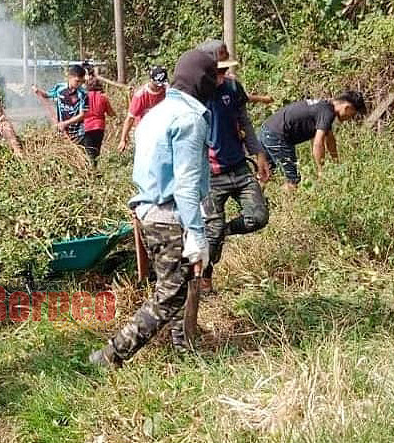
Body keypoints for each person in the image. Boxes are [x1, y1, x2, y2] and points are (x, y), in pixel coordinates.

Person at [88, 49, 221, 369]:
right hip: (170, 216)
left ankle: (183, 347)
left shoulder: (155, 114)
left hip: (148, 213)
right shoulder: (189, 119)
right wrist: (196, 232)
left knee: (181, 282)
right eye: (214, 77)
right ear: (202, 80)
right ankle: (111, 355)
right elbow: (187, 183)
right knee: (170, 294)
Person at [198, 50, 271, 298]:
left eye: (224, 70)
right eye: (217, 71)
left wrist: (259, 153)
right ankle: (204, 278)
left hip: (239, 167)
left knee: (258, 217)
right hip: (210, 175)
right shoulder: (195, 94)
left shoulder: (233, 88)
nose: (222, 75)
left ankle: (223, 232)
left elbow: (245, 122)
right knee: (211, 230)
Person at [259, 91, 367, 188]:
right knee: (293, 181)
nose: (350, 119)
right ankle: (287, 207)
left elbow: (330, 139)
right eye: (352, 115)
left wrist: (336, 162)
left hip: (268, 130)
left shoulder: (324, 106)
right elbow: (318, 142)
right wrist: (321, 171)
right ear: (347, 108)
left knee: (266, 174)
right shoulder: (327, 112)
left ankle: (255, 204)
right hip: (278, 136)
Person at [33, 64, 89, 144]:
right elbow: (47, 95)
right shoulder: (60, 88)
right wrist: (38, 91)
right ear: (70, 77)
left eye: (81, 81)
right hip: (62, 132)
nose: (79, 84)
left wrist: (65, 123)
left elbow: (82, 115)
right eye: (77, 81)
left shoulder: (83, 94)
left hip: (78, 134)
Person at [118, 66, 168, 153]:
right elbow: (130, 118)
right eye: (156, 85)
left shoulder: (167, 91)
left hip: (162, 131)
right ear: (151, 80)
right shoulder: (140, 96)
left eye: (161, 84)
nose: (159, 87)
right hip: (144, 131)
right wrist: (123, 139)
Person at [82, 76, 117, 162]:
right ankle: (95, 170)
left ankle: (91, 171)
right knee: (96, 151)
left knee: (88, 151)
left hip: (86, 127)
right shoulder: (103, 97)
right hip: (99, 127)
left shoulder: (83, 97)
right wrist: (116, 116)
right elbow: (111, 113)